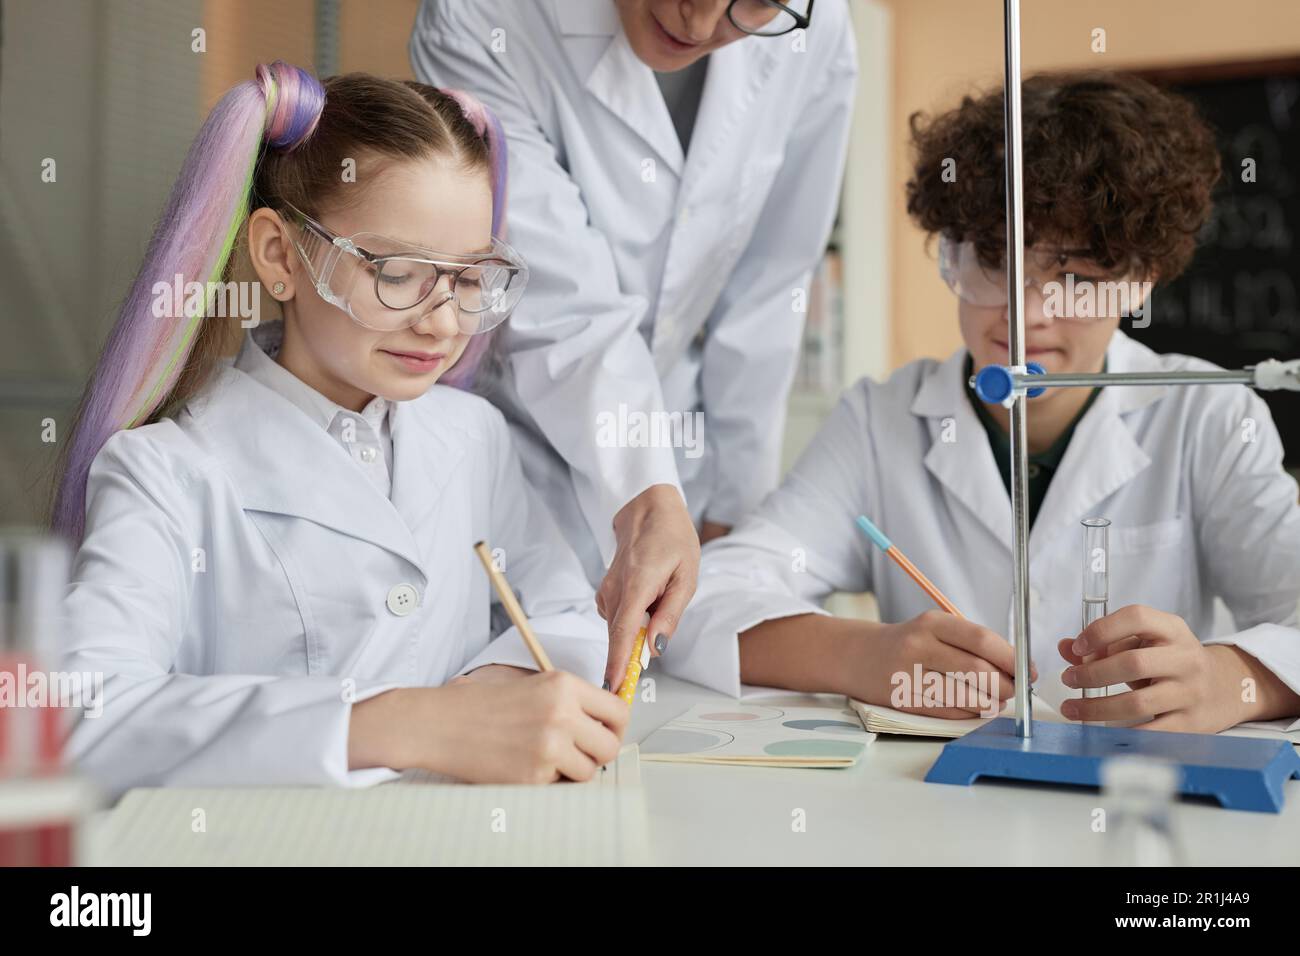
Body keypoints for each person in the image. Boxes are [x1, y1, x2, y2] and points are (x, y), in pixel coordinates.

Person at [52, 63, 626, 797]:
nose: (444, 322)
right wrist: (415, 724)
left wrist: (498, 696)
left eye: (469, 276)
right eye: (397, 271)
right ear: (279, 255)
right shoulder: (163, 471)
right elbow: (81, 718)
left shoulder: (474, 435)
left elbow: (562, 612)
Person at [666, 72, 1300, 733]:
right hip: (938, 803)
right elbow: (706, 599)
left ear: (1139, 283)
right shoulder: (882, 421)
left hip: (1137, 798)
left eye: (1076, 276)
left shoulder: (1207, 415)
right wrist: (861, 654)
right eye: (995, 261)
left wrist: (1234, 679)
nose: (1025, 316)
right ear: (952, 258)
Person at [410, 0, 857, 686]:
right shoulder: (483, 14)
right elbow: (561, 304)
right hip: (513, 435)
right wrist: (646, 495)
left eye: (756, 4)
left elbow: (773, 282)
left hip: (682, 447)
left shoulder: (815, 28)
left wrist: (730, 512)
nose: (702, 21)